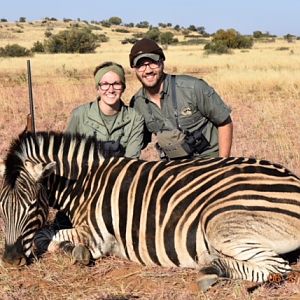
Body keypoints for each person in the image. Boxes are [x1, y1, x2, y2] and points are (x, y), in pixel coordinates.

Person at [129, 38, 233, 160]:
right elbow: (138, 141)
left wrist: (222, 164)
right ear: (134, 69)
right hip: (173, 164)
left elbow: (225, 122)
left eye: (152, 62)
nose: (148, 70)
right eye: (141, 65)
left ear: (162, 62)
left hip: (208, 160)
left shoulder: (193, 87)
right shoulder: (137, 103)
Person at [66, 61, 144, 158]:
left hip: (121, 172)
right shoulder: (79, 115)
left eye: (116, 84)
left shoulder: (135, 118)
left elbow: (131, 160)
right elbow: (66, 153)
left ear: (123, 87)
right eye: (105, 84)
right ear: (97, 88)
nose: (111, 90)